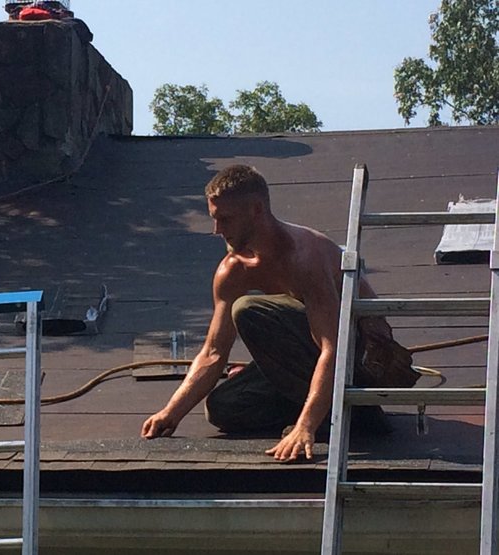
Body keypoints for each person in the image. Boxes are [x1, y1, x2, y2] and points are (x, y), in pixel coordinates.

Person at [140, 165, 411, 462]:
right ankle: (348, 415)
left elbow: (334, 348)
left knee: (248, 310)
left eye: (225, 219)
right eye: (214, 218)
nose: (217, 230)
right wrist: (171, 412)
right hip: (316, 362)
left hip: (361, 361)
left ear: (256, 210)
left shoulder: (305, 256)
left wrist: (305, 427)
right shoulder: (232, 271)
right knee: (223, 406)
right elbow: (214, 352)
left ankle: (337, 410)